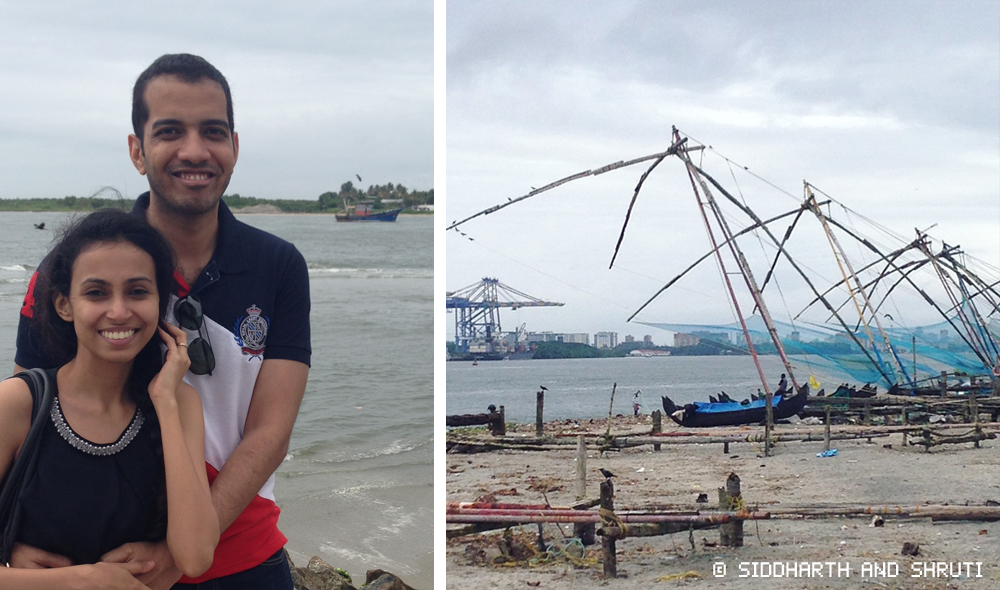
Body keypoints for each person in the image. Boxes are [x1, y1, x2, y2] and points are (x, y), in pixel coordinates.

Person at [14, 54, 311, 589]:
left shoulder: (279, 266)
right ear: (136, 149)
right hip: (101, 562)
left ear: (235, 148)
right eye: (170, 131)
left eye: (213, 132)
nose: (194, 151)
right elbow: (30, 414)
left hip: (240, 554)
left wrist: (180, 550)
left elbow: (271, 429)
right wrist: (18, 544)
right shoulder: (70, 270)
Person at [0, 209, 218, 588]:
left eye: (137, 291)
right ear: (63, 305)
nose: (119, 312)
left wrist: (165, 402)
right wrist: (78, 580)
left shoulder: (178, 404)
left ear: (159, 301)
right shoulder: (18, 403)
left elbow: (195, 556)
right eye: (96, 292)